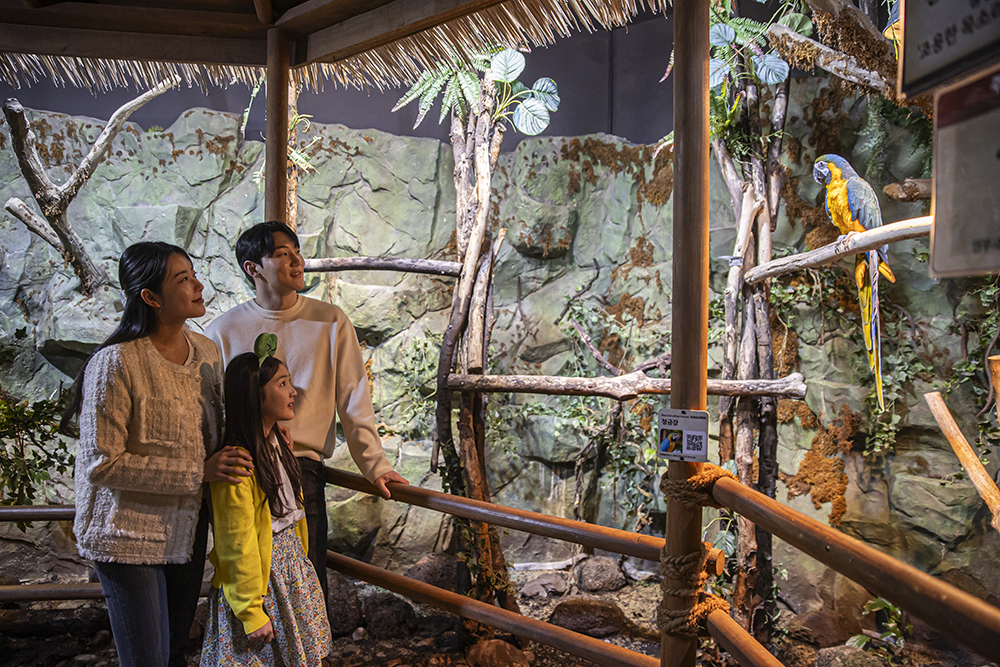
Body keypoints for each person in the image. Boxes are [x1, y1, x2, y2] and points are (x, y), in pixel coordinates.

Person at [64, 241, 254, 667]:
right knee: (148, 658)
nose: (197, 286)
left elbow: (214, 433)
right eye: (182, 280)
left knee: (173, 653)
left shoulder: (206, 351)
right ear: (150, 298)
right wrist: (198, 471)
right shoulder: (115, 363)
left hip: (186, 531)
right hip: (127, 535)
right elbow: (101, 464)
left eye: (193, 274)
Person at [205, 221, 409, 598]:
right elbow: (212, 410)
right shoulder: (221, 331)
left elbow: (353, 399)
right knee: (246, 572)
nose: (297, 260)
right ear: (253, 268)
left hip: (302, 467)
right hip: (243, 467)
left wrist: (376, 465)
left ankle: (309, 655)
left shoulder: (330, 321)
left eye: (296, 251)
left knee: (306, 583)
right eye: (283, 254)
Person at [201, 344, 333, 666]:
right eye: (282, 384)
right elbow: (236, 544)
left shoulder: (278, 445)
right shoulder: (238, 464)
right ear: (255, 395)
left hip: (291, 573)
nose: (293, 392)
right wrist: (250, 611)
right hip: (262, 583)